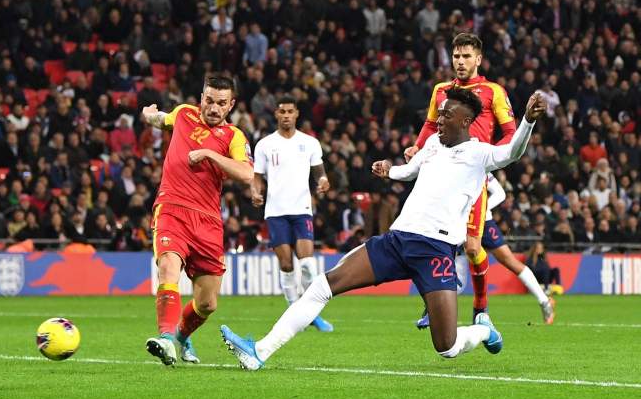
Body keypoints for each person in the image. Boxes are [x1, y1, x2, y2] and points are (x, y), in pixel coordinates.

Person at [220, 88, 546, 370]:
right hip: (397, 240)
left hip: (436, 250)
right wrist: (390, 171)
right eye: (440, 114)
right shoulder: (432, 143)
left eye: (447, 115)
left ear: (464, 121)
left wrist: (528, 121)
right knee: (324, 284)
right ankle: (259, 351)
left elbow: (513, 152)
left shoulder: (479, 153)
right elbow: (410, 172)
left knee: (446, 347)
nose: (439, 120)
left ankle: (485, 330)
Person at [139, 74, 254, 366]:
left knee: (207, 303)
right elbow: (162, 119)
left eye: (221, 103)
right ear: (201, 98)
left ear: (231, 105)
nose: (214, 108)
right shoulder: (184, 113)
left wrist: (209, 155)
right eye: (209, 101)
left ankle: (179, 336)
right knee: (168, 267)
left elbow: (246, 174)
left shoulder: (234, 137)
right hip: (172, 208)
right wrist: (150, 115)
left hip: (207, 221)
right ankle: (165, 338)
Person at [406, 33, 516, 329]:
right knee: (436, 242)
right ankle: (435, 304)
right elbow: (431, 124)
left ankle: (481, 309)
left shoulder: (493, 91)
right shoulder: (441, 90)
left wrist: (493, 156)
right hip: (440, 179)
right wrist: (417, 147)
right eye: (456, 56)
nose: (460, 61)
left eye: (467, 56)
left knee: (470, 246)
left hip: (472, 178)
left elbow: (510, 131)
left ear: (478, 59)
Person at [252, 95, 333, 333]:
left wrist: (324, 181)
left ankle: (312, 313)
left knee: (307, 264)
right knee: (287, 264)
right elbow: (257, 177)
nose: (286, 115)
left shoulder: (310, 143)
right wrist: (255, 193)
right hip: (276, 212)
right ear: (276, 114)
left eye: (290, 111)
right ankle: (293, 313)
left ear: (297, 114)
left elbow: (319, 171)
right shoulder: (265, 144)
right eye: (282, 111)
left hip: (301, 210)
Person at [480, 177, 556, 323]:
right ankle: (435, 308)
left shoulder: (480, 165)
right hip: (458, 221)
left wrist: (481, 209)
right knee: (453, 258)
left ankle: (544, 301)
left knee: (509, 261)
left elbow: (499, 193)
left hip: (483, 223)